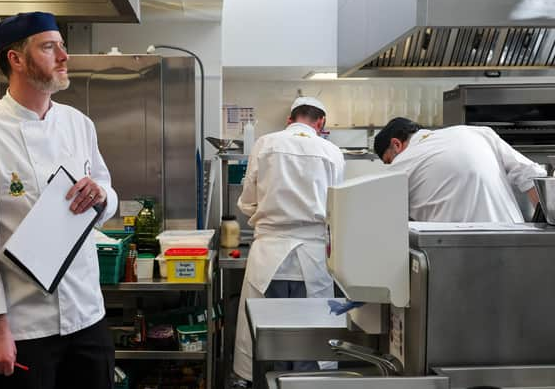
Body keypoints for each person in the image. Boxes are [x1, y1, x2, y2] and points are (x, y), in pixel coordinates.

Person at [0, 12, 118, 389]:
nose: (63, 56)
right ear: (16, 59)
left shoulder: (78, 124)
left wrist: (102, 195)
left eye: (62, 46)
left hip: (87, 316)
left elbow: (105, 191)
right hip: (23, 328)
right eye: (49, 47)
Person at [232, 96, 345, 384]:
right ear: (321, 122)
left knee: (270, 344)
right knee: (310, 345)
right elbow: (339, 208)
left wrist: (270, 218)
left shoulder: (265, 144)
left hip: (270, 260)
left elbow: (247, 202)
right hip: (314, 261)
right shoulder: (332, 151)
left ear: (290, 119)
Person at [373, 117, 546, 222]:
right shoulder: (477, 132)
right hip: (514, 240)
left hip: (455, 251)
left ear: (396, 144)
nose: (392, 164)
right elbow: (531, 174)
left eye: (389, 160)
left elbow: (385, 221)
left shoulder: (400, 165)